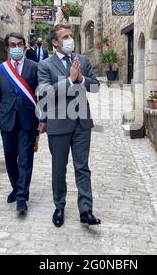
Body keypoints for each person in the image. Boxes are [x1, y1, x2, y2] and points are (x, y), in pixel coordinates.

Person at [37, 24, 101, 227]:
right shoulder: (45, 65)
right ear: (55, 42)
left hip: (82, 122)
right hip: (58, 124)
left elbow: (96, 87)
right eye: (64, 37)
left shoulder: (82, 60)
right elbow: (45, 92)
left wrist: (81, 78)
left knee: (82, 167)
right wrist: (70, 81)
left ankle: (86, 210)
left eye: (71, 36)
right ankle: (59, 206)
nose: (69, 39)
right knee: (59, 168)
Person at [0, 32, 41, 213]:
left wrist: (43, 118)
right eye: (12, 45)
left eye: (19, 44)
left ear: (25, 47)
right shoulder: (0, 70)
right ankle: (16, 187)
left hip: (28, 121)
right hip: (7, 121)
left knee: (25, 160)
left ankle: (21, 197)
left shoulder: (35, 68)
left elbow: (42, 95)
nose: (16, 48)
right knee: (10, 159)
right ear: (7, 48)